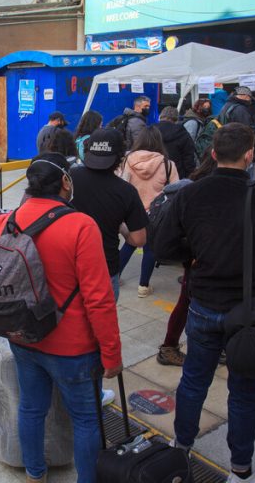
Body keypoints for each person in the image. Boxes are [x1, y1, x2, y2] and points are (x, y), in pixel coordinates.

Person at [154, 123, 255, 483]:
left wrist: (195, 252)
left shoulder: (191, 194)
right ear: (250, 155)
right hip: (251, 310)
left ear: (213, 154)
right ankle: (240, 471)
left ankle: (181, 448)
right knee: (243, 392)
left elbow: (163, 247)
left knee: (194, 381)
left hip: (204, 304)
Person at [7, 152, 122, 483]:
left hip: (24, 337)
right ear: (65, 182)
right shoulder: (81, 225)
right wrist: (111, 353)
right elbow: (98, 299)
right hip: (72, 348)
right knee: (86, 419)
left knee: (31, 408)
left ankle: (35, 474)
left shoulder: (12, 218)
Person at [70, 129, 148, 302]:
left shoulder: (69, 178)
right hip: (104, 267)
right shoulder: (127, 191)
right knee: (102, 317)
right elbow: (139, 239)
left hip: (69, 263)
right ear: (120, 156)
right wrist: (120, 226)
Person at [156, 153, 217, 367]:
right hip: (199, 256)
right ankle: (169, 346)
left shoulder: (192, 184)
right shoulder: (205, 191)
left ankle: (170, 346)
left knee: (187, 300)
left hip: (193, 254)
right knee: (187, 302)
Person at [118, 126, 179, 298]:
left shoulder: (127, 160)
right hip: (155, 214)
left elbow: (122, 184)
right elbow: (175, 190)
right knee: (150, 248)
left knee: (130, 244)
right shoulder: (168, 164)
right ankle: (143, 286)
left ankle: (115, 276)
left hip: (132, 211)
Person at [157, 106, 196, 179]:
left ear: (160, 116)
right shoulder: (182, 133)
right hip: (177, 176)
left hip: (154, 174)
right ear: (176, 119)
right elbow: (189, 158)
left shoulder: (149, 131)